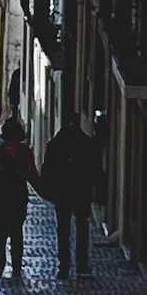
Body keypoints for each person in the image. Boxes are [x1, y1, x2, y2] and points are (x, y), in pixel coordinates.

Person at [41, 114, 103, 278]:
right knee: (82, 228)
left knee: (63, 230)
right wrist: (99, 191)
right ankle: (81, 264)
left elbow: (46, 170)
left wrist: (47, 190)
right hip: (82, 192)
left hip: (62, 193)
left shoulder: (55, 144)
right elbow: (96, 170)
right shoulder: (87, 144)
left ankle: (64, 266)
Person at [0, 118, 44, 281]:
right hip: (18, 198)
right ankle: (16, 267)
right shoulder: (25, 153)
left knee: (0, 234)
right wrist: (45, 193)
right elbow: (32, 175)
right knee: (17, 233)